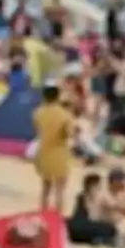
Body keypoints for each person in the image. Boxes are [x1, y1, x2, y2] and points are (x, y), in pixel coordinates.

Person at [33, 80, 74, 213]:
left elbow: (38, 129)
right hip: (59, 153)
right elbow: (68, 134)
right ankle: (57, 218)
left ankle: (43, 214)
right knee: (60, 190)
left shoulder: (38, 112)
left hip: (44, 152)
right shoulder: (65, 115)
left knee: (45, 187)